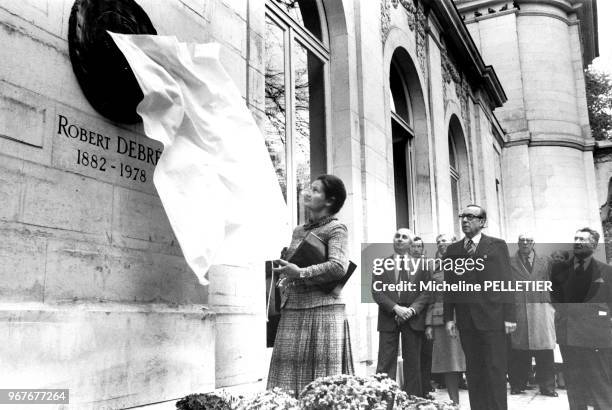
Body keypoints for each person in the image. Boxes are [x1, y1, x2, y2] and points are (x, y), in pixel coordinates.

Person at [267, 174, 353, 397]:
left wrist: (300, 271)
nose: (307, 192)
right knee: (286, 381)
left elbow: (338, 267)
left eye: (315, 190)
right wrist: (287, 260)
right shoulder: (298, 230)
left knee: (323, 383)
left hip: (323, 309)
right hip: (294, 307)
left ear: (329, 201)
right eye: (309, 188)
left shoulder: (337, 228)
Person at [443, 204, 516, 410]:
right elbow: (450, 286)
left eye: (470, 217)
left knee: (495, 369)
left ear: (482, 222)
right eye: (462, 216)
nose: (465, 220)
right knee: (474, 371)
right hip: (467, 320)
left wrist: (510, 316)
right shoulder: (453, 250)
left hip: (493, 318)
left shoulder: (497, 246)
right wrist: (449, 317)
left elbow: (506, 282)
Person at [551, 227, 612, 410]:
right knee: (574, 384)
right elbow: (554, 297)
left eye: (583, 239)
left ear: (593, 245)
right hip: (569, 334)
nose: (577, 242)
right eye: (576, 238)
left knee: (600, 382)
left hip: (596, 336)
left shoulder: (606, 271)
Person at [373, 228, 431, 396]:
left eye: (404, 237)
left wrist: (412, 310)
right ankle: (384, 401)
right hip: (388, 318)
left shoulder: (422, 265)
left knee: (413, 363)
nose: (399, 239)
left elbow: (427, 291)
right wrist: (396, 308)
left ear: (411, 243)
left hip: (413, 320)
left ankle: (414, 401)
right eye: (397, 236)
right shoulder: (381, 264)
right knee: (385, 363)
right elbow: (377, 291)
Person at [507, 234, 557, 397]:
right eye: (522, 240)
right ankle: (517, 384)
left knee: (545, 349)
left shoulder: (546, 260)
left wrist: (551, 304)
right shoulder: (510, 261)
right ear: (518, 243)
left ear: (534, 242)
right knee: (518, 350)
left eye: (528, 240)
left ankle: (548, 386)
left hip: (541, 308)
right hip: (519, 307)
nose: (525, 243)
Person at [425, 233, 466, 405]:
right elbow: (428, 295)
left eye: (445, 240)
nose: (441, 243)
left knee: (470, 358)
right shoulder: (432, 267)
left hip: (465, 317)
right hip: (441, 319)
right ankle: (454, 401)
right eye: (439, 241)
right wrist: (428, 324)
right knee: (449, 362)